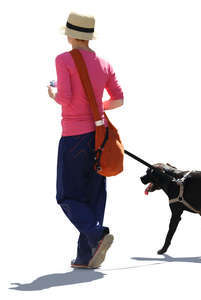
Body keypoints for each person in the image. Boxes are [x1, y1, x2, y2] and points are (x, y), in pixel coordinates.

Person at [47, 12, 124, 269]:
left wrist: (53, 92)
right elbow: (118, 99)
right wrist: (95, 109)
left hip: (74, 137)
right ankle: (85, 256)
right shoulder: (104, 63)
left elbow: (66, 98)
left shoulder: (64, 59)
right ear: (88, 36)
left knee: (67, 195)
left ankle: (96, 234)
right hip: (99, 137)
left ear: (71, 35)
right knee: (93, 195)